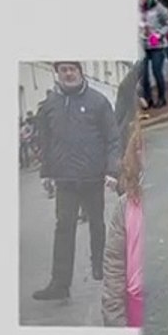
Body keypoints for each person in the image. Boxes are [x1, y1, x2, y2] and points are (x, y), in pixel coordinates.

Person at [32, 61, 121, 301]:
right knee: (63, 228)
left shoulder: (98, 102)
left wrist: (112, 171)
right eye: (63, 70)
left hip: (93, 177)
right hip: (65, 179)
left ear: (81, 72)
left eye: (73, 68)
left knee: (97, 223)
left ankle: (100, 267)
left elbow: (113, 138)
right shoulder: (50, 106)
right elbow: (45, 142)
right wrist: (45, 174)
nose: (68, 73)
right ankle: (60, 284)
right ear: (57, 74)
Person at [101, 116, 144, 327]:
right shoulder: (125, 205)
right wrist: (114, 318)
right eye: (141, 148)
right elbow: (114, 263)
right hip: (134, 306)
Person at [138, 0, 168, 109]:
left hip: (157, 44)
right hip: (143, 45)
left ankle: (161, 98)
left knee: (157, 71)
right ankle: (148, 99)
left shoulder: (157, 7)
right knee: (144, 74)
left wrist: (159, 34)